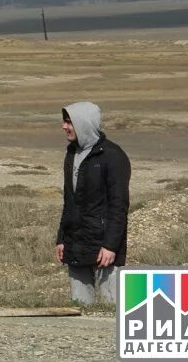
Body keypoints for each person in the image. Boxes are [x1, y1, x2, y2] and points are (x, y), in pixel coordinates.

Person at [56, 101, 130, 306]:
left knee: (113, 309)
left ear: (83, 123)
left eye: (69, 122)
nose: (64, 126)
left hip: (104, 248)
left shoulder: (113, 156)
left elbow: (119, 205)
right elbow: (69, 201)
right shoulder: (71, 154)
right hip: (75, 244)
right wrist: (61, 238)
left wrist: (110, 245)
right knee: (79, 310)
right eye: (64, 121)